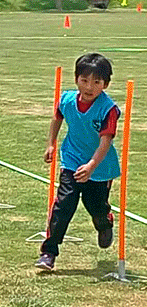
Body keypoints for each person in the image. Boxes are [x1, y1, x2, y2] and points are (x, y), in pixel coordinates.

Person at [36, 53, 119, 271]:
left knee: (96, 206)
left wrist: (92, 166)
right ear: (76, 79)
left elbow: (106, 141)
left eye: (96, 82)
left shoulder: (108, 109)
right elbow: (57, 117)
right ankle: (48, 252)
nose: (89, 87)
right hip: (72, 160)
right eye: (84, 80)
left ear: (105, 84)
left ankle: (104, 222)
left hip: (100, 166)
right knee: (64, 204)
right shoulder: (67, 99)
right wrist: (51, 143)